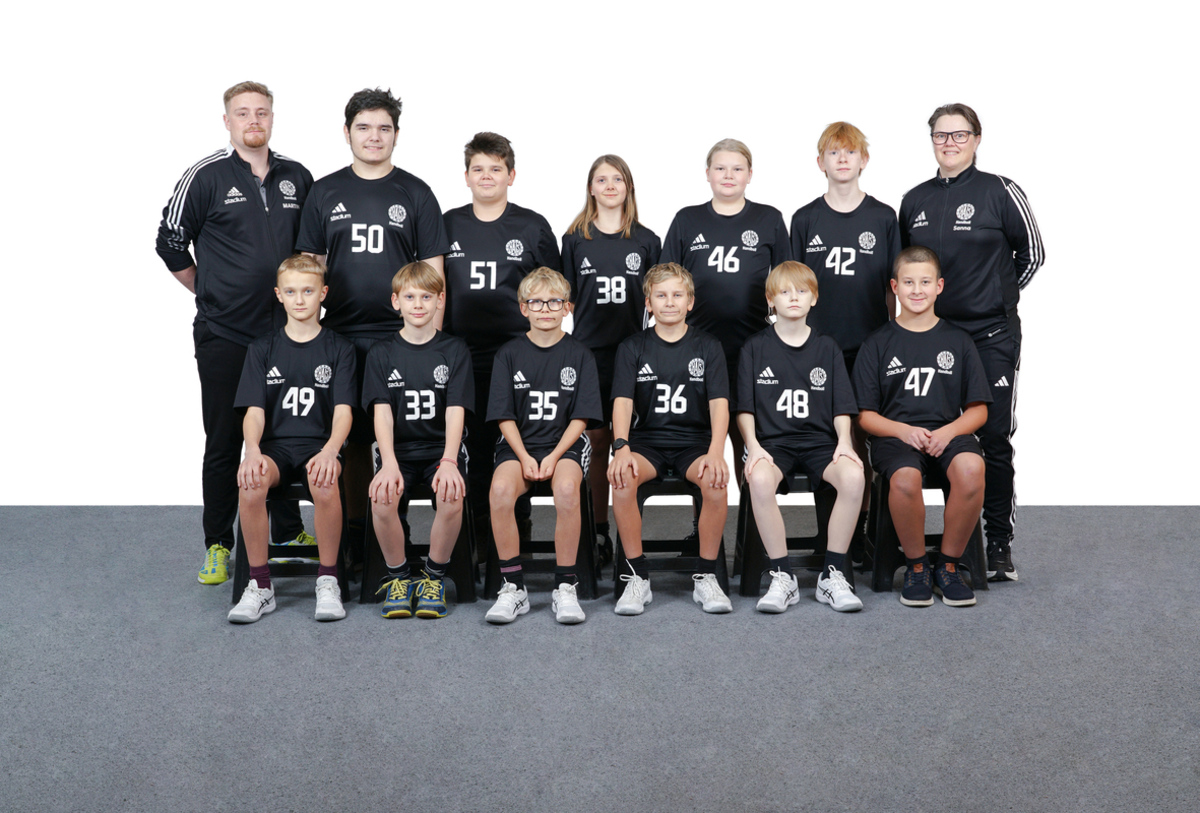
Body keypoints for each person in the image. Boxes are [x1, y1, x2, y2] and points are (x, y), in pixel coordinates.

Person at [156, 80, 313, 586]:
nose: (253, 120)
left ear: (272, 118)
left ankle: (287, 529)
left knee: (283, 434)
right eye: (242, 113)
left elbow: (311, 248)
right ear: (227, 121)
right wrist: (207, 289)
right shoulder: (205, 175)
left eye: (261, 112)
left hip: (287, 335)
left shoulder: (297, 176)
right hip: (224, 333)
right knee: (225, 440)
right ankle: (219, 544)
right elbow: (169, 240)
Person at [295, 87, 450, 543]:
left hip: (399, 335)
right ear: (347, 133)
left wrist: (430, 341)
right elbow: (309, 268)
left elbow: (435, 275)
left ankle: (392, 533)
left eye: (384, 128)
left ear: (397, 135)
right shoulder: (325, 191)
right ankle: (357, 533)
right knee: (351, 437)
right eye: (363, 127)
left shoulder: (416, 192)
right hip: (339, 334)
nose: (374, 136)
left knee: (396, 433)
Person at [899, 102, 1044, 582]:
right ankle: (930, 545)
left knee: (993, 436)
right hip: (933, 338)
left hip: (990, 337)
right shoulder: (914, 201)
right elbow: (906, 271)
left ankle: (998, 543)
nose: (950, 143)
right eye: (941, 135)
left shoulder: (1000, 191)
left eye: (959, 134)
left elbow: (1032, 255)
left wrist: (996, 299)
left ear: (977, 139)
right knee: (934, 434)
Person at [853, 247, 991, 608]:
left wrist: (948, 432)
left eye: (926, 282)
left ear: (939, 286)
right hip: (896, 436)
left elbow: (978, 410)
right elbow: (864, 416)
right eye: (909, 282)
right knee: (904, 478)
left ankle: (948, 565)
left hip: (948, 433)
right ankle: (917, 567)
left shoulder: (958, 340)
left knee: (972, 468)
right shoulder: (877, 343)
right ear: (894, 287)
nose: (917, 290)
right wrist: (902, 431)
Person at [443, 132, 561, 548]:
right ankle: (476, 532)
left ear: (511, 175)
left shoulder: (532, 226)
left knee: (517, 442)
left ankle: (518, 526)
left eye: (496, 168)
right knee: (473, 443)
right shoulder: (448, 224)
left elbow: (554, 289)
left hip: (520, 356)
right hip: (463, 355)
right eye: (478, 169)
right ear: (466, 176)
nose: (487, 176)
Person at [228, 255, 356, 623]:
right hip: (276, 448)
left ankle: (328, 580)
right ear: (278, 295)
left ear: (323, 293)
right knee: (250, 483)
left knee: (324, 481)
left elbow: (344, 412)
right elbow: (254, 412)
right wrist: (252, 451)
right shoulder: (262, 348)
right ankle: (260, 586)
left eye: (308, 291)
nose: (299, 299)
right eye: (291, 291)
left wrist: (330, 451)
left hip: (319, 444)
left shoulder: (339, 348)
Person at [790, 122, 899, 540]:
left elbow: (893, 287)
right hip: (817, 350)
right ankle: (831, 533)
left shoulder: (883, 217)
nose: (841, 159)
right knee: (825, 439)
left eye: (850, 152)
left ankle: (863, 528)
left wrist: (890, 339)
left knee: (863, 435)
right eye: (833, 152)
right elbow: (791, 286)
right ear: (820, 162)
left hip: (869, 347)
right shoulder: (805, 219)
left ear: (863, 160)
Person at [737, 262, 865, 613]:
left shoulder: (828, 347)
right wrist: (753, 447)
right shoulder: (754, 347)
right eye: (784, 291)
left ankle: (832, 575)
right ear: (770, 299)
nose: (793, 297)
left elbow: (842, 406)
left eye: (802, 291)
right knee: (759, 479)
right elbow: (744, 409)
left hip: (820, 443)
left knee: (854, 477)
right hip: (773, 443)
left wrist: (844, 442)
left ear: (814, 298)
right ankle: (783, 577)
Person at [660, 139, 790, 484]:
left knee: (751, 438)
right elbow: (664, 281)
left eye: (737, 168)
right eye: (720, 168)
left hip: (753, 347)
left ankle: (752, 513)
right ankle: (705, 515)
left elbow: (788, 281)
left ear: (750, 174)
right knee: (700, 441)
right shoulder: (687, 219)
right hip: (695, 348)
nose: (728, 175)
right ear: (707, 174)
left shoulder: (769, 218)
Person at [607, 263, 731, 615]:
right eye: (661, 295)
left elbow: (719, 404)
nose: (670, 302)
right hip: (647, 443)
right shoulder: (633, 347)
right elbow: (622, 402)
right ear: (648, 303)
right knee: (622, 478)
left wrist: (716, 452)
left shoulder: (708, 346)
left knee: (716, 482)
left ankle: (706, 576)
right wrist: (621, 447)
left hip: (694, 442)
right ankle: (637, 576)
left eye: (678, 295)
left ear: (690, 301)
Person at [484, 268, 602, 625]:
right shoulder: (508, 354)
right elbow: (504, 416)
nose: (545, 309)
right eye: (536, 302)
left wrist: (553, 456)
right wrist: (523, 457)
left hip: (564, 445)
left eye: (554, 302)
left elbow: (581, 418)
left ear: (567, 307)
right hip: (519, 445)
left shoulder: (580, 354)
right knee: (500, 490)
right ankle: (513, 587)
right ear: (524, 308)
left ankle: (565, 585)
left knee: (566, 489)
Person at [561, 154, 661, 566]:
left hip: (635, 353)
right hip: (590, 355)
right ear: (590, 187)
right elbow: (566, 298)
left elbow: (658, 300)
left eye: (617, 179)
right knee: (599, 442)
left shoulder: (646, 240)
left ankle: (631, 539)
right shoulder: (574, 239)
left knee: (634, 443)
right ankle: (599, 530)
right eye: (601, 179)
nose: (609, 186)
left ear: (628, 186)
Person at [362, 261, 474, 619]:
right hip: (398, 451)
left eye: (427, 297)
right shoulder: (381, 353)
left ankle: (433, 578)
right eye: (409, 297)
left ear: (440, 300)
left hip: (441, 450)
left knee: (451, 495)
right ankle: (398, 579)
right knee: (382, 499)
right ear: (396, 302)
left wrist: (449, 461)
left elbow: (455, 411)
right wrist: (388, 463)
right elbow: (382, 413)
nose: (418, 304)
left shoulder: (454, 349)